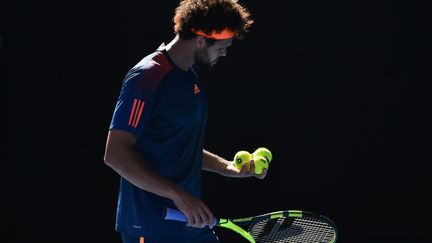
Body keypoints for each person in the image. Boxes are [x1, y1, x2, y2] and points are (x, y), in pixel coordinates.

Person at [104, 0, 264, 242]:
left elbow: (177, 146)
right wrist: (178, 195)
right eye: (222, 47)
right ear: (200, 40)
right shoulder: (147, 77)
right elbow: (115, 154)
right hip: (152, 227)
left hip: (190, 224)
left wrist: (226, 167)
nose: (225, 53)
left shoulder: (189, 76)